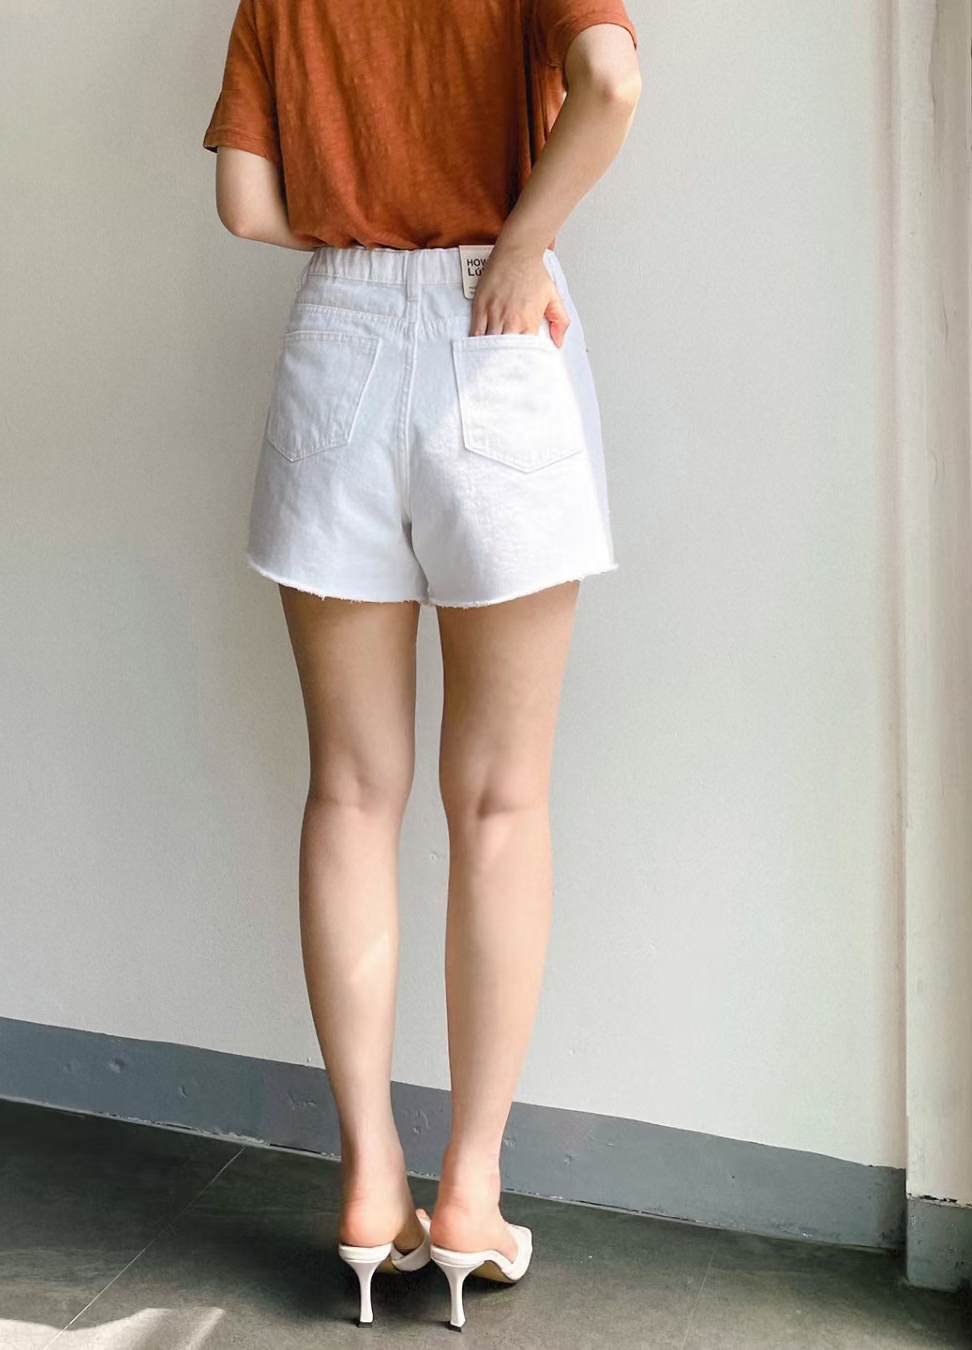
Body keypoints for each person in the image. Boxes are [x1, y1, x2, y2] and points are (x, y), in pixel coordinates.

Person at [202, 0, 641, 1329]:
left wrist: (363, 242)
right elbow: (610, 81)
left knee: (350, 792)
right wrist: (520, 242)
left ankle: (366, 1184)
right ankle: (470, 1193)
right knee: (499, 801)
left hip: (334, 338)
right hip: (496, 339)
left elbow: (244, 203)